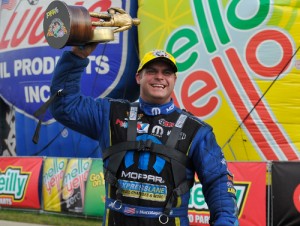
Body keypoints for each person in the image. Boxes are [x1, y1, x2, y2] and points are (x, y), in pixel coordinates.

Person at [49, 44, 239, 226]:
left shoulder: (196, 130)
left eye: (166, 73)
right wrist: (77, 56)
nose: (159, 77)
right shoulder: (109, 113)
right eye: (151, 71)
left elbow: (218, 182)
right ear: (138, 77)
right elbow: (65, 106)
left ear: (174, 79)